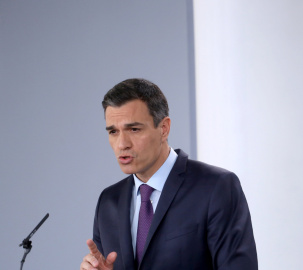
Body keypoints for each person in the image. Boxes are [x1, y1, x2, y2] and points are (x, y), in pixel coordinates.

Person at [80, 78, 257, 270]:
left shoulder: (216, 187)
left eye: (134, 129)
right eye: (113, 132)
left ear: (164, 129)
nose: (122, 144)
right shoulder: (108, 202)